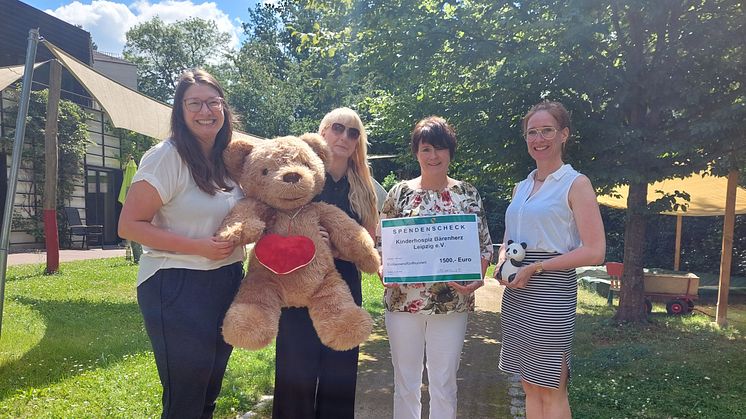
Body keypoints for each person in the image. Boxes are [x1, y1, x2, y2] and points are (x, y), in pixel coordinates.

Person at [118, 69, 245, 419]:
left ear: (224, 108)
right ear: (180, 111)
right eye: (195, 104)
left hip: (227, 278)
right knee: (186, 394)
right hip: (176, 283)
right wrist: (198, 247)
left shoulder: (229, 159)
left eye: (213, 102)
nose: (205, 111)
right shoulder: (166, 157)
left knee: (210, 388)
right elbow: (129, 225)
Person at [496, 101, 606, 419]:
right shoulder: (522, 186)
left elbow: (595, 250)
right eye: (532, 132)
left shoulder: (576, 184)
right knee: (530, 385)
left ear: (564, 135)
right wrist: (504, 262)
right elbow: (509, 238)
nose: (539, 138)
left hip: (551, 292)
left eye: (547, 130)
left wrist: (536, 267)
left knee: (552, 388)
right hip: (517, 294)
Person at [379, 116, 493, 419]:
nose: (433, 156)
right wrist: (383, 268)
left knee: (444, 381)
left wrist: (477, 277)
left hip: (452, 303)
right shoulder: (399, 193)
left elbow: (484, 246)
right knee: (405, 381)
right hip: (402, 301)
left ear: (450, 152)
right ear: (416, 152)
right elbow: (381, 243)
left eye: (440, 149)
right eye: (426, 148)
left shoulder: (467, 193)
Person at [272, 107, 379, 419]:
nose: (344, 136)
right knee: (295, 377)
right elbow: (273, 225)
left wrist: (336, 247)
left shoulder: (364, 188)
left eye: (353, 132)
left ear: (358, 142)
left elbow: (370, 243)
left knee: (339, 378)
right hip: (297, 287)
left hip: (344, 286)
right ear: (322, 131)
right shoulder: (298, 175)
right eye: (337, 128)